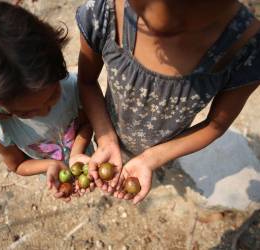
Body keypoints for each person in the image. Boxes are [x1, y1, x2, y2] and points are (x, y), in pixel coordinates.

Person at [76, 0, 260, 204]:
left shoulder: (248, 49)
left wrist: (153, 158)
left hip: (168, 145)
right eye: (143, 17)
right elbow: (87, 81)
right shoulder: (105, 12)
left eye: (182, 28)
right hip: (111, 128)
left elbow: (215, 124)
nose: (161, 43)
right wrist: (106, 139)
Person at [0, 1, 93, 201]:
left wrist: (76, 153)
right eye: (25, 113)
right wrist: (49, 166)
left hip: (82, 155)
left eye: (51, 96)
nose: (45, 111)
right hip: (52, 166)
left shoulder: (72, 87)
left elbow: (86, 122)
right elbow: (17, 165)